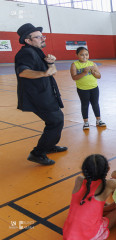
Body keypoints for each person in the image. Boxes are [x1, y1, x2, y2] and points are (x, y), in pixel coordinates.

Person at [15, 23, 66, 165]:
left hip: (46, 94)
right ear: (28, 40)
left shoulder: (37, 52)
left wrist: (50, 63)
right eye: (38, 37)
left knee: (56, 119)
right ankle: (37, 153)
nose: (43, 39)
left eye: (42, 36)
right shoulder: (26, 53)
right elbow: (23, 71)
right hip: (37, 96)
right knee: (55, 121)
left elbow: (52, 72)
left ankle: (48, 146)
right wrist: (44, 72)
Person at [63, 154, 116, 240]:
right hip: (90, 235)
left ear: (84, 169)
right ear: (107, 169)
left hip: (68, 233)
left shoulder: (79, 179)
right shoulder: (111, 183)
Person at [70, 47, 105, 130]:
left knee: (95, 104)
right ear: (77, 55)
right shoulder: (74, 65)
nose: (84, 56)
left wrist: (93, 72)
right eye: (82, 55)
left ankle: (98, 120)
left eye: (86, 54)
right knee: (85, 105)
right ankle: (86, 122)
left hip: (94, 88)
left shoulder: (92, 64)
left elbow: (99, 76)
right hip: (82, 89)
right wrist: (84, 72)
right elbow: (74, 77)